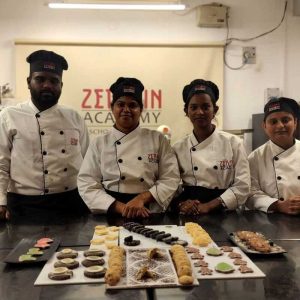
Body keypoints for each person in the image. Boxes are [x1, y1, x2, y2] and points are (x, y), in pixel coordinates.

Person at [0, 50, 90, 221]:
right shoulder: (9, 116)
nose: (47, 85)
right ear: (29, 82)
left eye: (54, 81)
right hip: (24, 205)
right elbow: (1, 164)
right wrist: (1, 202)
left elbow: (87, 162)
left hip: (71, 203)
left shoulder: (74, 117)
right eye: (40, 79)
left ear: (61, 85)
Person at [77, 77, 180, 218]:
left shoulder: (158, 139)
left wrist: (141, 199)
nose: (126, 110)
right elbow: (87, 183)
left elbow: (171, 178)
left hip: (148, 209)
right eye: (121, 104)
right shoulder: (99, 142)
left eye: (132, 105)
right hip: (111, 209)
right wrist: (122, 208)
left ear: (141, 109)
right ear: (112, 107)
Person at [171, 79, 250, 215]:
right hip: (190, 212)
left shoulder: (233, 143)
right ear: (186, 111)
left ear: (215, 110)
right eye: (194, 107)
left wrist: (209, 206)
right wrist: (181, 204)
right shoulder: (178, 147)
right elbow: (171, 185)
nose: (200, 112)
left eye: (206, 107)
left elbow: (243, 186)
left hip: (224, 211)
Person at [246, 97, 300, 215]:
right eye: (273, 121)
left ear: (295, 123)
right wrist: (278, 205)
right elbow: (250, 194)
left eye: (286, 120)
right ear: (264, 126)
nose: (280, 126)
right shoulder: (254, 158)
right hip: (270, 221)